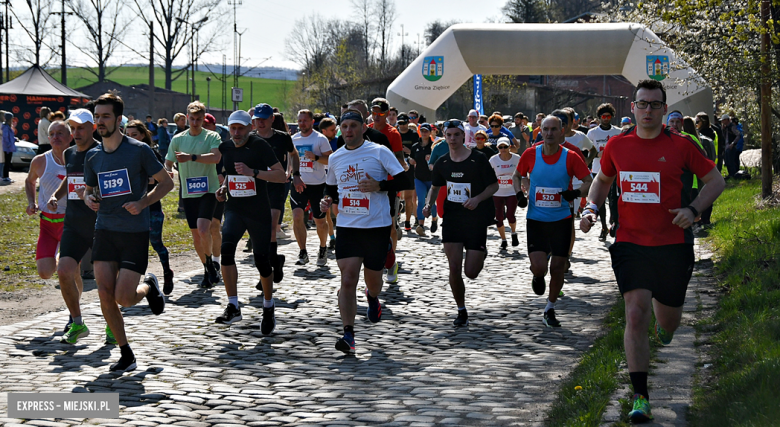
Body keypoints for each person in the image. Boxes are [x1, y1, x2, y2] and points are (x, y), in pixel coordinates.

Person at [581, 79, 725, 423]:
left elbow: (716, 181)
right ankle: (640, 396)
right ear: (633, 107)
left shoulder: (682, 146)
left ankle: (666, 326)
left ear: (664, 109)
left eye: (654, 105)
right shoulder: (617, 145)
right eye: (642, 104)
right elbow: (602, 180)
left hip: (673, 245)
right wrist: (591, 208)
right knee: (634, 313)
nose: (647, 110)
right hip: (630, 243)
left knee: (668, 321)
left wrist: (692, 211)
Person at [83, 92, 173, 371]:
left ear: (118, 119)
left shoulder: (139, 150)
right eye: (97, 116)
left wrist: (143, 201)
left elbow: (166, 183)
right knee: (105, 295)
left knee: (124, 297)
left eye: (105, 116)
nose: (100, 122)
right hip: (105, 230)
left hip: (134, 232)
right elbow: (88, 191)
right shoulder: (93, 156)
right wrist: (90, 200)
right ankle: (126, 353)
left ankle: (148, 286)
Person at [321, 110, 408, 352]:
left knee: (374, 282)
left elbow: (405, 181)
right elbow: (331, 189)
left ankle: (372, 296)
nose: (348, 131)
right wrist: (326, 201)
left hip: (376, 226)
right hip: (348, 226)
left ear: (363, 129)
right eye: (344, 126)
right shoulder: (336, 157)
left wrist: (380, 185)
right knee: (347, 279)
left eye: (353, 126)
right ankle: (348, 335)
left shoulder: (378, 151)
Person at [514, 115, 592, 328]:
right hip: (536, 220)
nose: (548, 133)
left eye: (553, 129)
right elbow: (516, 175)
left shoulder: (571, 156)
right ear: (541, 131)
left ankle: (550, 308)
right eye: (545, 129)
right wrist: (519, 195)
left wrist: (575, 193)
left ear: (562, 131)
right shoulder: (531, 154)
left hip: (562, 220)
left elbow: (589, 181)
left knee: (558, 267)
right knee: (539, 268)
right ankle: (538, 277)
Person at [214, 110, 286, 328]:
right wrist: (223, 188)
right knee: (226, 252)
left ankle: (268, 306)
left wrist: (253, 172)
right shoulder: (225, 147)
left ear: (249, 128)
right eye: (232, 128)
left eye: (240, 128)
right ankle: (233, 306)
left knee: (262, 262)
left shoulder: (260, 146)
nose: (236, 133)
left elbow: (281, 175)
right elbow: (228, 174)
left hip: (258, 211)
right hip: (234, 208)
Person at [423, 119, 499, 327]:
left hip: (475, 218)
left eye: (457, 134)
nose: (453, 139)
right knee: (454, 266)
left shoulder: (478, 159)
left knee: (471, 272)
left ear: (463, 136)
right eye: (449, 135)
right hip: (453, 218)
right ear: (444, 137)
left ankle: (481, 252)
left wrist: (477, 199)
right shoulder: (443, 163)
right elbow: (436, 187)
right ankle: (461, 310)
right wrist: (428, 204)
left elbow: (494, 186)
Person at [47, 109, 101, 342]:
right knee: (64, 270)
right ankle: (77, 322)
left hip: (101, 225)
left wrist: (93, 194)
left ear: (93, 128)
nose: (76, 133)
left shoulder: (103, 152)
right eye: (73, 128)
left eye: (81, 128)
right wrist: (55, 196)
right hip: (74, 223)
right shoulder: (69, 153)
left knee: (107, 281)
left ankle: (113, 325)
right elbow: (70, 178)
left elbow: (113, 187)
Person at [165, 101, 223, 288]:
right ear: (187, 118)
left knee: (204, 228)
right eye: (192, 119)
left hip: (209, 190)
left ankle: (213, 262)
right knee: (196, 235)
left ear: (203, 119)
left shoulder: (212, 136)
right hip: (189, 192)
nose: (195, 122)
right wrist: (168, 171)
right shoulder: (178, 139)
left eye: (199, 119)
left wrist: (191, 157)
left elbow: (216, 158)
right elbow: (168, 162)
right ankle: (207, 266)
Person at [251, 103, 303, 283]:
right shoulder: (249, 138)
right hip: (256, 187)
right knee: (260, 231)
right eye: (257, 119)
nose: (261, 122)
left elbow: (294, 154)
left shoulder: (282, 138)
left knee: (271, 227)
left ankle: (265, 271)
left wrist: (295, 174)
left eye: (264, 119)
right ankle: (275, 261)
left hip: (277, 186)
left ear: (272, 119)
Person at [126, 120, 174, 294]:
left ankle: (167, 272)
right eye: (128, 135)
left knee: (156, 243)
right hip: (130, 210)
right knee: (134, 247)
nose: (131, 138)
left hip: (151, 208)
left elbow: (159, 180)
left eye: (135, 135)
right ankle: (137, 283)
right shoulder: (123, 154)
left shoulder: (151, 153)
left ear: (143, 135)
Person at [367, 98, 408, 283]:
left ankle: (391, 260)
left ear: (386, 114)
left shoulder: (393, 133)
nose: (376, 116)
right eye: (374, 112)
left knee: (390, 226)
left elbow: (399, 159)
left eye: (380, 113)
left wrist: (403, 167)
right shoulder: (364, 129)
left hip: (389, 184)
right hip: (367, 183)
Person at [25, 120, 69, 279]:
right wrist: (31, 202)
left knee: (68, 270)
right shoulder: (40, 161)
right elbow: (29, 181)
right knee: (45, 273)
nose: (55, 137)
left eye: (60, 133)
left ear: (70, 137)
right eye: (51, 134)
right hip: (47, 224)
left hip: (70, 222)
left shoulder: (79, 160)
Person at [291, 109, 333, 267]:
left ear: (311, 122)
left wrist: (315, 157)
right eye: (300, 121)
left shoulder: (320, 139)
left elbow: (330, 160)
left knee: (320, 221)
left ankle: (323, 248)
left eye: (305, 121)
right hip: (298, 183)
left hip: (317, 185)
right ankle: (302, 251)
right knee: (296, 217)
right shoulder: (293, 139)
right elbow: (289, 158)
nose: (302, 123)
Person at [586, 103, 622, 241]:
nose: (606, 119)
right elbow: (587, 152)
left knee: (613, 200)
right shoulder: (592, 132)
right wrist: (597, 155)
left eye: (608, 116)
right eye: (603, 116)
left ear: (612, 117)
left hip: (614, 171)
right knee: (599, 202)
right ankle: (603, 227)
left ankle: (614, 223)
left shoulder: (617, 132)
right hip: (597, 170)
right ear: (599, 117)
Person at [489, 137, 521, 250]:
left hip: (512, 191)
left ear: (510, 147)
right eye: (500, 147)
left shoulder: (517, 158)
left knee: (510, 215)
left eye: (505, 147)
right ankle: (503, 240)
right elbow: (488, 174)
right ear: (497, 148)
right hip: (498, 192)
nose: (503, 149)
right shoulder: (493, 160)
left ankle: (513, 233)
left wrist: (522, 186)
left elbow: (523, 172)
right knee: (499, 217)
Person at [409, 123, 438, 236]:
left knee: (431, 201)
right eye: (422, 131)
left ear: (430, 132)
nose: (424, 133)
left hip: (431, 178)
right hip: (419, 177)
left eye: (426, 131)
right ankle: (421, 225)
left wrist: (431, 160)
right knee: (421, 201)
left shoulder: (434, 146)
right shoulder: (415, 146)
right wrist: (411, 161)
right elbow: (411, 157)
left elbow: (438, 160)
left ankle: (434, 219)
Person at [397, 113, 421, 232]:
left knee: (408, 197)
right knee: (396, 196)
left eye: (404, 123)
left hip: (410, 168)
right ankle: (397, 217)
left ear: (408, 123)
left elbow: (418, 151)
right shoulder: (395, 133)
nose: (402, 126)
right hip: (396, 167)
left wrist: (408, 151)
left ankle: (408, 221)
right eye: (400, 123)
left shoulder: (413, 135)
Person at [2, 112, 15, 182]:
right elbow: (5, 137)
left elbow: (10, 137)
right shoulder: (6, 127)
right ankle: (5, 176)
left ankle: (6, 176)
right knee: (7, 162)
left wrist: (15, 139)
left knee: (8, 162)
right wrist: (9, 145)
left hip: (9, 148)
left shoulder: (8, 126)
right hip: (7, 148)